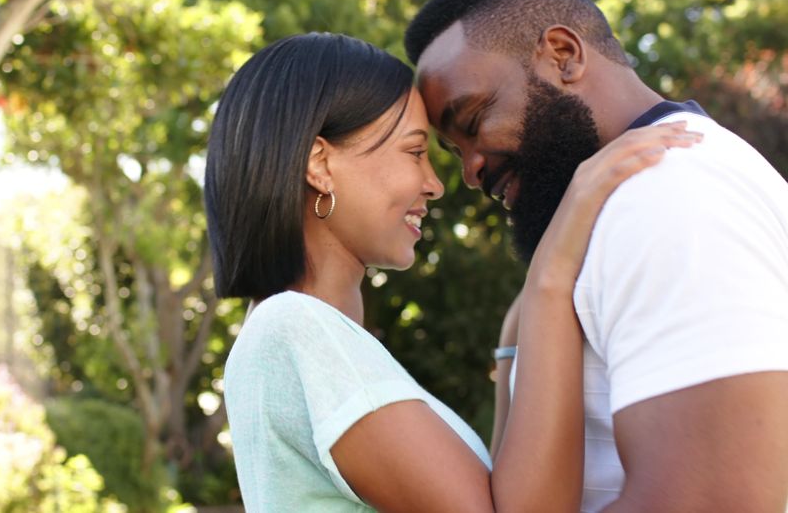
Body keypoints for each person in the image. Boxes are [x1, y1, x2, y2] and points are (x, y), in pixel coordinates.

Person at [205, 32, 699, 511]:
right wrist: (552, 272)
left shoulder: (297, 335)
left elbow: (502, 494)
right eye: (415, 151)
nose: (434, 185)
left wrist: (516, 340)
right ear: (319, 164)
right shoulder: (295, 330)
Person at [405, 0, 788, 512]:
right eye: (454, 150)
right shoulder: (629, 201)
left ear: (563, 55)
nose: (470, 171)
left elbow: (717, 500)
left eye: (473, 121)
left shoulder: (665, 192)